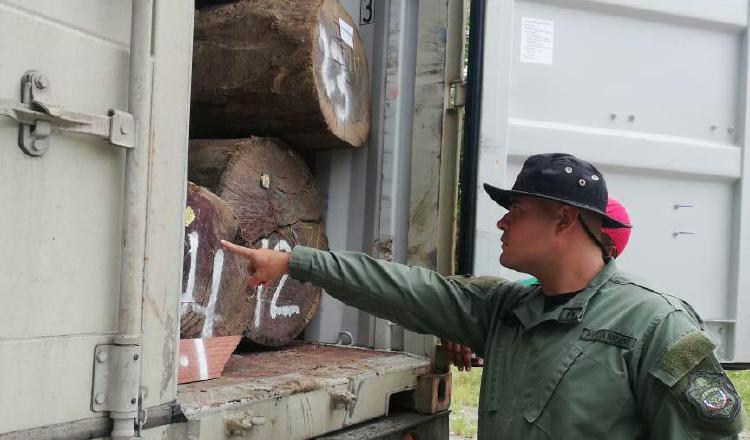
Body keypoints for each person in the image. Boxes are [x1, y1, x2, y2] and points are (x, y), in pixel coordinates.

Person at [222, 153, 745, 439]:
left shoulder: (656, 324)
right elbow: (408, 289)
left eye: (516, 210)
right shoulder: (507, 310)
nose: (501, 220)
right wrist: (297, 262)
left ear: (564, 219)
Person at [444, 197, 632, 371]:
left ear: (608, 251)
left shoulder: (625, 315)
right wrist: (458, 320)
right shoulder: (527, 293)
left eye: (580, 236)